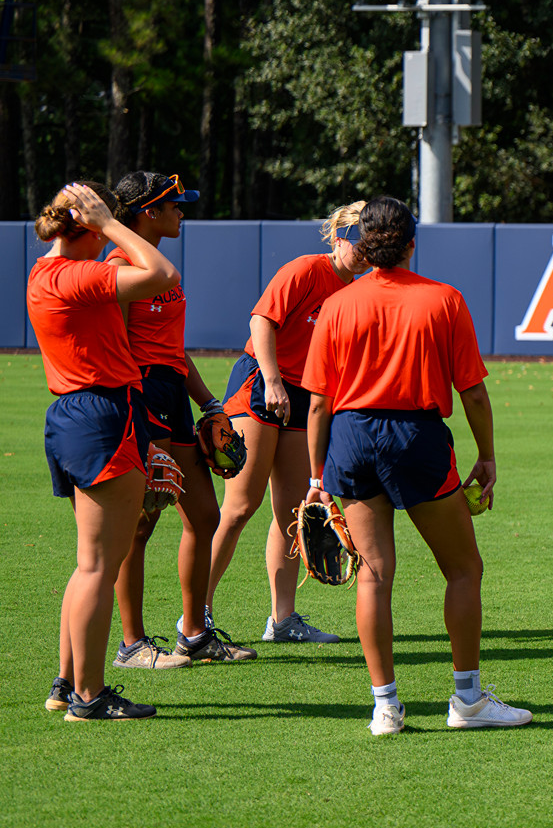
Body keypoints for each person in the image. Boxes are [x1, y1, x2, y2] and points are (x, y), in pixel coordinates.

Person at [300, 195, 528, 735]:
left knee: (374, 576)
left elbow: (317, 403)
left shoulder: (338, 304)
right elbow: (471, 392)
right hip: (416, 436)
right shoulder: (442, 299)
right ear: (410, 243)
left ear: (360, 241)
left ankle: (385, 708)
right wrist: (488, 456)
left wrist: (315, 479)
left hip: (351, 439)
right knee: (463, 568)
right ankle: (468, 701)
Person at [30, 182, 178, 720]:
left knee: (87, 564)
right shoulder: (78, 273)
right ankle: (88, 697)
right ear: (87, 231)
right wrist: (112, 224)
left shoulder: (44, 272)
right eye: (97, 233)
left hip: (74, 416)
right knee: (99, 567)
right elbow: (164, 275)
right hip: (100, 415)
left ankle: (68, 680)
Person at [208, 202, 367, 651]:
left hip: (305, 395)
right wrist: (273, 380)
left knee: (294, 512)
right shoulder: (306, 269)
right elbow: (262, 321)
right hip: (261, 381)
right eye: (354, 242)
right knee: (239, 507)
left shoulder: (357, 289)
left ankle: (283, 619)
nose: (361, 252)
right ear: (338, 239)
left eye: (367, 244)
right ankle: (197, 617)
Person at [105, 172, 232, 671]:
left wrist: (210, 404)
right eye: (174, 205)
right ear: (147, 213)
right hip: (139, 395)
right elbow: (117, 352)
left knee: (205, 516)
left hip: (172, 392)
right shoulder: (117, 267)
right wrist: (142, 429)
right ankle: (132, 644)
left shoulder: (155, 266)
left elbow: (174, 352)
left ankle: (194, 634)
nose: (182, 212)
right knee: (139, 523)